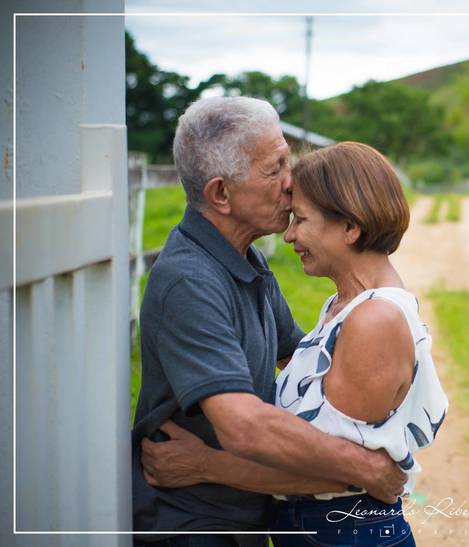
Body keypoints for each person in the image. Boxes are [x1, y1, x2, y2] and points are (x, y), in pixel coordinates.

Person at [141, 142, 448, 546]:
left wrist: (205, 465)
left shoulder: (373, 319)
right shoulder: (343, 307)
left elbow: (336, 475)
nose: (288, 235)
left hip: (343, 531)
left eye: (300, 220)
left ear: (350, 228)